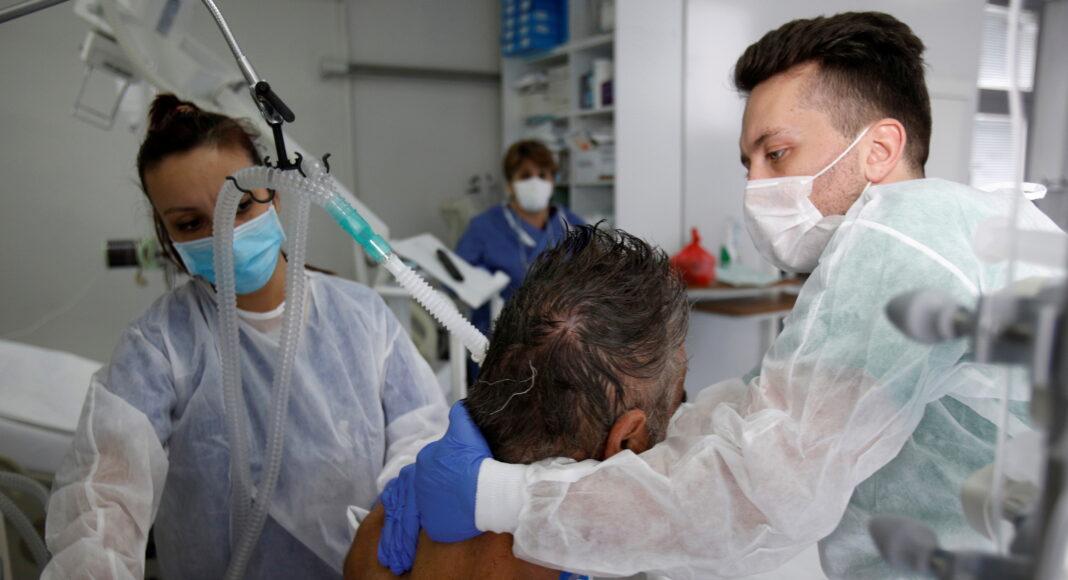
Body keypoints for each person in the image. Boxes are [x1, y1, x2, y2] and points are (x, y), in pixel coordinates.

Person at [377, 11, 1064, 579]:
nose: (756, 185)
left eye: (777, 153)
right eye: (748, 163)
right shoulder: (948, 230)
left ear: (879, 149)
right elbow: (760, 411)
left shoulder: (905, 235)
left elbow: (763, 490)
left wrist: (500, 495)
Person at [42, 95, 449, 579]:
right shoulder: (158, 347)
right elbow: (103, 499)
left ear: (274, 195)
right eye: (191, 223)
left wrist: (392, 536)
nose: (223, 235)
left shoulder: (362, 318)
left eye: (238, 206)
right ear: (168, 236)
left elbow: (422, 440)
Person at [344, 225, 689, 580]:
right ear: (627, 440)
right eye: (680, 400)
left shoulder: (380, 535)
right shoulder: (635, 557)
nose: (686, 419)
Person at [455, 139, 585, 340]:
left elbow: (596, 277)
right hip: (496, 337)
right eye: (525, 176)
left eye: (543, 175)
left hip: (561, 339)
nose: (535, 183)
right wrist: (479, 280)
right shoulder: (483, 227)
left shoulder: (573, 226)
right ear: (510, 184)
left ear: (553, 180)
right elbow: (455, 279)